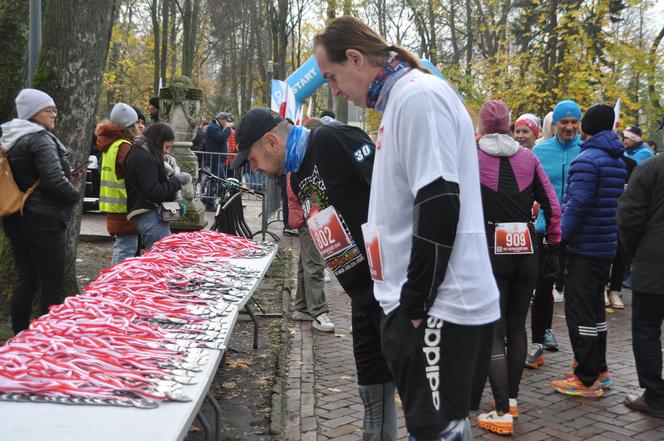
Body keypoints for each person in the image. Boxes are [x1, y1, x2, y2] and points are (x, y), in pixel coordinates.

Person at [315, 16, 499, 440]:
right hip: (420, 305)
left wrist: (414, 307)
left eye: (333, 77)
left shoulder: (417, 97)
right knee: (438, 429)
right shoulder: (401, 100)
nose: (335, 90)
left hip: (438, 307)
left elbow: (439, 202)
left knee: (438, 431)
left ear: (356, 58)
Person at [230, 108, 396, 441]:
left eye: (251, 159)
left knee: (425, 403)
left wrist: (404, 289)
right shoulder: (297, 172)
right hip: (365, 302)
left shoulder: (333, 139)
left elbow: (395, 198)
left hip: (393, 298)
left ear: (271, 142)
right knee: (373, 399)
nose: (254, 169)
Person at [474, 100, 561, 435]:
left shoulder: (470, 156)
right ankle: (511, 400)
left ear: (482, 127)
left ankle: (500, 412)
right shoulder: (529, 157)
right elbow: (553, 205)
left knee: (493, 329)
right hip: (526, 249)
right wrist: (553, 241)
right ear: (510, 126)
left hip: (489, 249)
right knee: (517, 326)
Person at [550, 104, 627, 398]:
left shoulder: (586, 160)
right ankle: (599, 369)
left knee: (579, 313)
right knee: (596, 313)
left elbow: (577, 204)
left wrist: (560, 237)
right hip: (605, 246)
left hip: (583, 248)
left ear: (586, 127)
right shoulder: (616, 159)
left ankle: (585, 378)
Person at [0, 88, 80, 334]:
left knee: (26, 278)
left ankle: (21, 335)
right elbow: (54, 181)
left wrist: (66, 176)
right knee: (52, 283)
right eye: (49, 109)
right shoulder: (39, 138)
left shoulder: (12, 137)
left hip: (16, 217)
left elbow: (31, 174)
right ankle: (48, 341)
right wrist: (74, 194)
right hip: (43, 221)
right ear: (33, 113)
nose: (54, 114)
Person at [526, 100, 583, 369]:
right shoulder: (540, 150)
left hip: (577, 232)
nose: (569, 127)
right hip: (544, 231)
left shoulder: (585, 150)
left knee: (578, 293)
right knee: (543, 287)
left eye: (574, 122)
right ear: (555, 124)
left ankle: (583, 355)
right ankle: (539, 340)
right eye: (564, 122)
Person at [618, 151, 664, 418]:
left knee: (646, 328)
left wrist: (634, 254)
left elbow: (629, 216)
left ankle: (656, 397)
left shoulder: (651, 167)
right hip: (652, 262)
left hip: (654, 263)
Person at [124, 123, 191, 250]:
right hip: (150, 214)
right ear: (158, 142)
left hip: (148, 212)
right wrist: (176, 181)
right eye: (166, 147)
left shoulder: (141, 152)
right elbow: (155, 191)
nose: (167, 152)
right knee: (159, 256)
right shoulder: (145, 158)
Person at [96, 103, 142, 264]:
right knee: (127, 248)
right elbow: (133, 174)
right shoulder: (124, 146)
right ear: (129, 126)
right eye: (136, 123)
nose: (139, 126)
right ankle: (117, 284)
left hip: (113, 203)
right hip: (125, 203)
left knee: (121, 246)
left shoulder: (111, 144)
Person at [203, 112, 233, 208]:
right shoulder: (213, 127)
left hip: (218, 159)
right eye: (227, 121)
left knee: (221, 180)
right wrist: (228, 128)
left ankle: (210, 199)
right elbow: (221, 138)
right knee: (215, 180)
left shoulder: (216, 127)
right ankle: (210, 202)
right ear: (221, 119)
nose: (227, 123)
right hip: (215, 158)